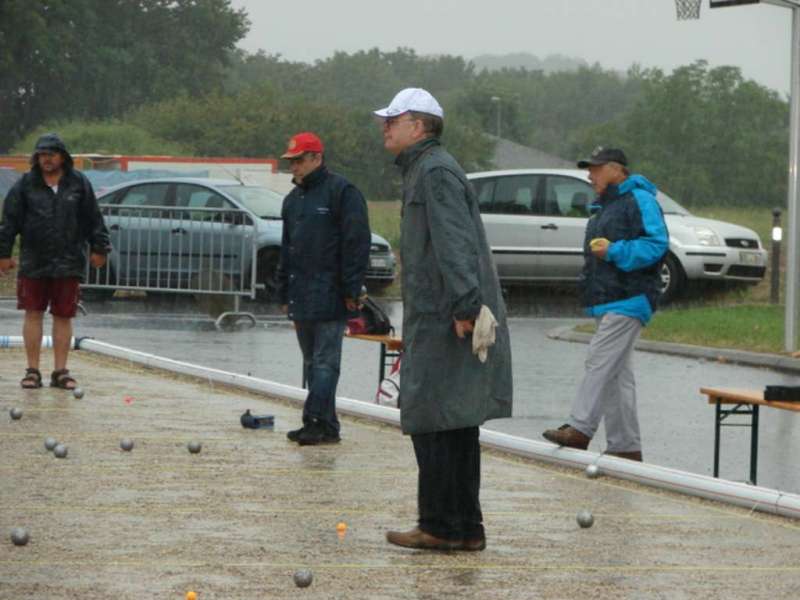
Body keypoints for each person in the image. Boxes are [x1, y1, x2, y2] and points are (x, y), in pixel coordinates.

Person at [375, 88, 513, 551]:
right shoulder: (426, 168)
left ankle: (443, 525)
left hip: (446, 317)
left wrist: (465, 308)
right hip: (440, 313)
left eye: (393, 119)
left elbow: (455, 244)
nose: (384, 127)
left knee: (438, 419)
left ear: (419, 125)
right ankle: (459, 526)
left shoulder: (433, 171)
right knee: (450, 422)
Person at [542, 147, 669, 462]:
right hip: (609, 298)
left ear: (616, 170)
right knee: (616, 374)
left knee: (599, 359)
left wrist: (614, 251)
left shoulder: (640, 199)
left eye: (596, 169)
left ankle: (580, 428)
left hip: (631, 296)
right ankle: (626, 446)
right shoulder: (604, 208)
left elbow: (657, 244)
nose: (590, 175)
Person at [277, 132, 371, 446]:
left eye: (300, 160)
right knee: (310, 362)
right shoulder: (292, 201)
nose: (295, 167)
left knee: (325, 361)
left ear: (317, 158)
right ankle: (327, 424)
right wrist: (281, 292)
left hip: (333, 292)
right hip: (301, 292)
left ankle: (314, 420)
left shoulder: (342, 192)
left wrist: (351, 288)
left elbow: (356, 243)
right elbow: (287, 249)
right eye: (291, 162)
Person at [0, 133, 110, 389]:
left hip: (69, 259)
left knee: (63, 315)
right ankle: (32, 371)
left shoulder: (78, 183)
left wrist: (99, 247)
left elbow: (93, 217)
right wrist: (3, 254)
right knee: (33, 313)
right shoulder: (25, 184)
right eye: (41, 155)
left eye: (51, 154)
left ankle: (61, 372)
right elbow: (9, 221)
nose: (46, 159)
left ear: (63, 156)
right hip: (34, 260)